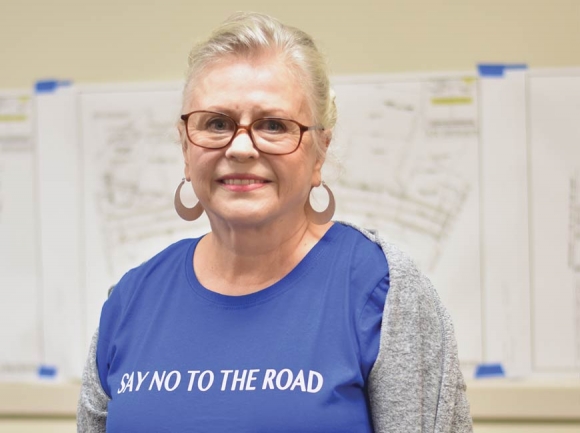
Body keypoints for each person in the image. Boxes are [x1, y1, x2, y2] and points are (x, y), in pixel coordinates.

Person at [77, 11, 473, 433]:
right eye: (216, 123)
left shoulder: (383, 292)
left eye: (273, 125)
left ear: (319, 152)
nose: (242, 147)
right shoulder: (131, 301)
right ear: (185, 148)